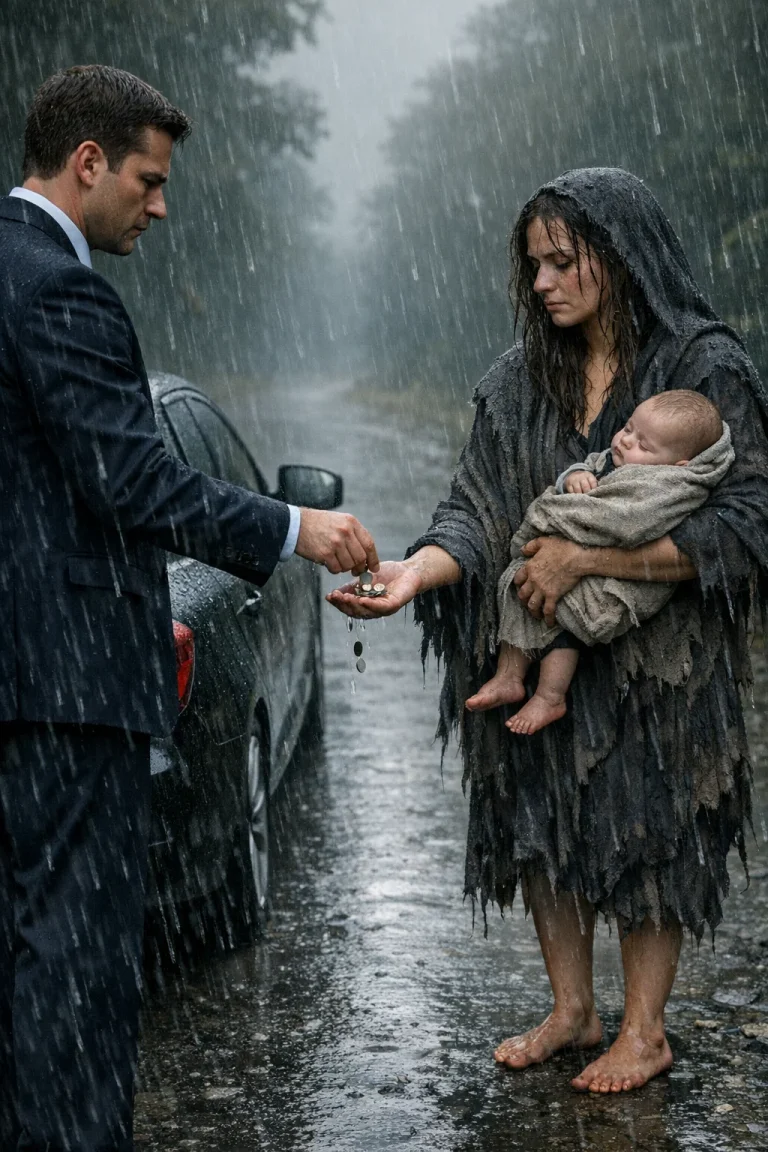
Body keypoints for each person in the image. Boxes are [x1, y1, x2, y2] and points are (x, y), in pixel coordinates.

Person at [0, 65, 378, 1151]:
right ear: (87, 165)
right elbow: (134, 482)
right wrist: (294, 529)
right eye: (148, 181)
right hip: (68, 692)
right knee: (74, 975)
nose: (159, 207)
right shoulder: (58, 289)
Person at [329, 168, 768, 1094]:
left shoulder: (703, 365)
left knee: (657, 829)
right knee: (537, 817)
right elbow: (477, 514)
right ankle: (572, 1008)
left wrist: (593, 560)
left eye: (563, 262)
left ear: (619, 257)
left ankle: (644, 1030)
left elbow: (747, 524)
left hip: (663, 668)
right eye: (533, 265)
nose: (542, 284)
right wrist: (416, 572)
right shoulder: (520, 379)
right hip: (541, 653)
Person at [466, 390, 732, 736]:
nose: (625, 441)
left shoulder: (668, 489)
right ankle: (509, 675)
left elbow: (626, 521)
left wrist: (557, 516)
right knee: (522, 581)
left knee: (566, 613)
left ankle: (550, 695)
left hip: (623, 581)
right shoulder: (620, 460)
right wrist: (572, 477)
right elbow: (591, 466)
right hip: (587, 556)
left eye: (643, 444)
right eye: (628, 427)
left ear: (676, 466)